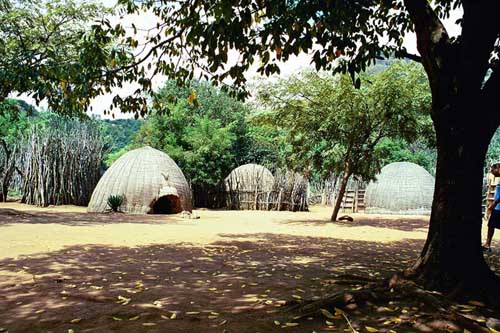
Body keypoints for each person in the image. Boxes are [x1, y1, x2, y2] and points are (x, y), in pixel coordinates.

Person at [483, 162, 500, 252]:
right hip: (497, 207)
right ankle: (487, 244)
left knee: (491, 225)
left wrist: (494, 204)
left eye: (492, 169)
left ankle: (487, 244)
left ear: (498, 168)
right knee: (491, 225)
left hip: (498, 207)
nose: (491, 172)